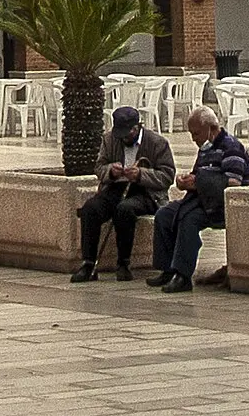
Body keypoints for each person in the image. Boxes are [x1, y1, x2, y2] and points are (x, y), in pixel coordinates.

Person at [71, 102, 177, 281]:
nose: (123, 138)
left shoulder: (157, 143)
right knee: (90, 208)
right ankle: (88, 263)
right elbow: (99, 167)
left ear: (136, 128)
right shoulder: (110, 139)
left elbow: (167, 176)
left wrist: (141, 175)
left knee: (124, 209)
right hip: (116, 187)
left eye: (127, 133)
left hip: (146, 192)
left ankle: (123, 263)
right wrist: (111, 171)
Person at [151, 107, 249, 292]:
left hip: (219, 205)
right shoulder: (205, 149)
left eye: (196, 133)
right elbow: (197, 175)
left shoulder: (232, 148)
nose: (194, 139)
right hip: (200, 200)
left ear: (211, 128)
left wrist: (198, 183)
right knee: (164, 214)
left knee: (188, 220)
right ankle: (168, 268)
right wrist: (184, 182)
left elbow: (233, 183)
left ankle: (183, 275)